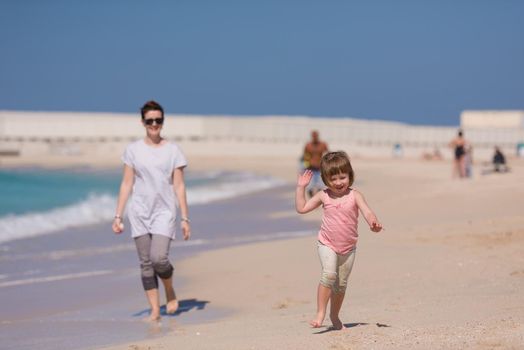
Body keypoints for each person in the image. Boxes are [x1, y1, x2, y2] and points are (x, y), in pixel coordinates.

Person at [112, 100, 191, 322]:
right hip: (139, 212)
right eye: (150, 121)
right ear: (143, 122)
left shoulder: (174, 150)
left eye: (158, 120)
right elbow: (126, 184)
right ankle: (155, 311)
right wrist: (118, 215)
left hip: (164, 212)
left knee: (159, 258)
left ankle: (170, 288)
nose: (154, 124)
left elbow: (179, 186)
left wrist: (185, 218)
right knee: (146, 263)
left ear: (163, 121)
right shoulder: (133, 150)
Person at [295, 151, 383, 330]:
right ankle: (320, 314)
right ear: (326, 180)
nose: (338, 182)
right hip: (327, 243)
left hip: (349, 248)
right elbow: (302, 208)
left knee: (340, 286)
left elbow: (367, 212)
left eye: (342, 177)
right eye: (333, 179)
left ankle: (334, 316)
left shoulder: (355, 195)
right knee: (329, 275)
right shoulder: (323, 195)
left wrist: (373, 222)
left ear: (350, 176)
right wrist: (301, 187)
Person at [302, 130, 329, 197]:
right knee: (310, 185)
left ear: (318, 136)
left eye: (316, 135)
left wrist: (327, 164)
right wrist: (305, 165)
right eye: (313, 136)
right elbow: (305, 156)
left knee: (320, 185)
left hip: (320, 167)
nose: (315, 137)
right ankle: (312, 199)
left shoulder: (323, 145)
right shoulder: (308, 145)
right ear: (311, 136)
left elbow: (328, 154)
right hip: (310, 167)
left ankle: (318, 199)